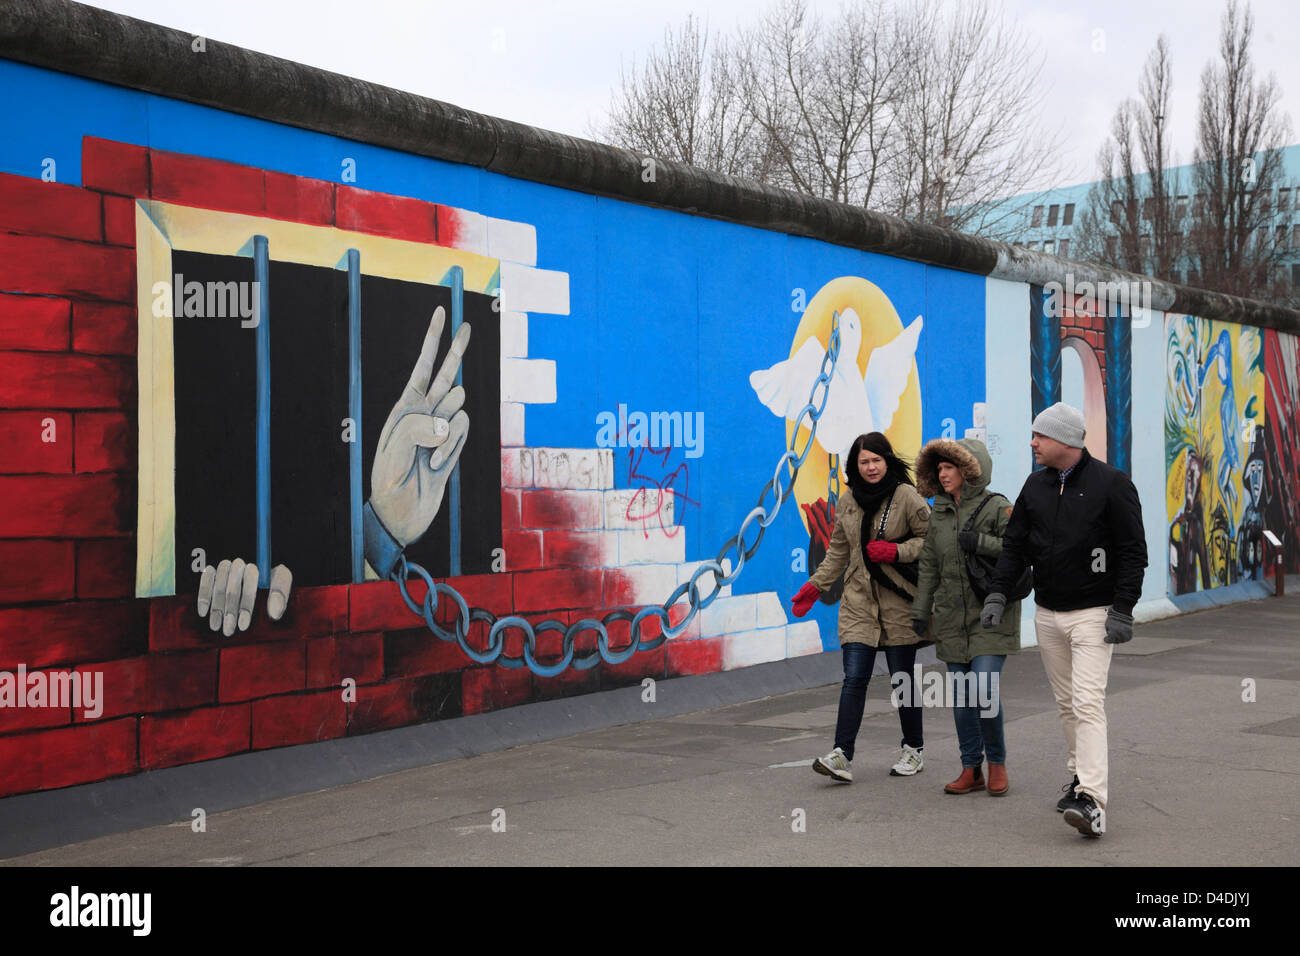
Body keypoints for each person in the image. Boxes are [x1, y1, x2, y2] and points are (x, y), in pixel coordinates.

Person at [980, 402, 1147, 838]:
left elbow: (1133, 552)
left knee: (1088, 702)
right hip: (1048, 613)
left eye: (1040, 436)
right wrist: (998, 593)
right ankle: (1078, 779)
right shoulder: (1034, 486)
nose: (1032, 443)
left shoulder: (1112, 484)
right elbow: (1014, 547)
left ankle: (1092, 801)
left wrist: (1123, 609)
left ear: (1066, 441)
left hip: (1094, 613)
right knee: (1068, 704)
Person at [791, 432, 932, 782]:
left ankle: (913, 750)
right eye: (863, 462)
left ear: (887, 461)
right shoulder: (849, 501)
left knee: (901, 679)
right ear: (855, 466)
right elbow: (839, 551)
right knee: (854, 678)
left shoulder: (906, 496)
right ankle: (842, 755)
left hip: (898, 601)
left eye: (876, 460)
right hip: (857, 602)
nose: (870, 467)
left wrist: (896, 551)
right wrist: (815, 585)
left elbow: (930, 542)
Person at [911, 437, 1020, 797]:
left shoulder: (998, 507)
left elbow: (1020, 551)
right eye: (939, 468)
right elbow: (928, 564)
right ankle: (971, 768)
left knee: (984, 688)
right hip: (951, 619)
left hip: (991, 614)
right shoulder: (939, 513)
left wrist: (981, 543)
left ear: (968, 469)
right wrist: (920, 610)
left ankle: (997, 763)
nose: (943, 474)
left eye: (949, 467)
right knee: (960, 695)